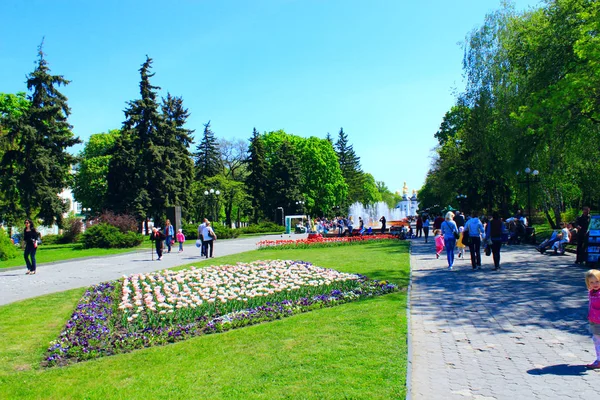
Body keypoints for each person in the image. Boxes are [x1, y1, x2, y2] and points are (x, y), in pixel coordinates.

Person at [584, 269, 600, 369]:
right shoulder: (591, 292)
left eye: (597, 281)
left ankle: (599, 360)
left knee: (597, 340)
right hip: (593, 320)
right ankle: (598, 359)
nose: (595, 284)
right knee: (596, 340)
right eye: (592, 282)